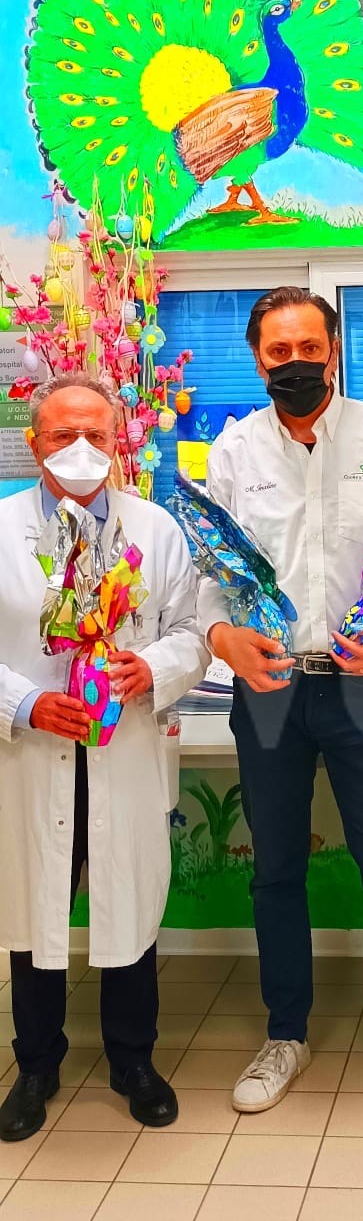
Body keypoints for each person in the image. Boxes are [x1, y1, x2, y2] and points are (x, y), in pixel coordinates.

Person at [198, 286, 363, 1121]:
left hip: (361, 685)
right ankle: (286, 1034)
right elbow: (213, 571)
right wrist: (219, 636)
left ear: (334, 350)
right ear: (258, 359)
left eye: (310, 347)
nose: (296, 362)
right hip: (268, 686)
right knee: (275, 869)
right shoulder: (233, 450)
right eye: (280, 351)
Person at [0, 375, 207, 1143]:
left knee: (129, 908)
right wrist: (23, 703)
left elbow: (193, 632)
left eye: (97, 434)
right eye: (63, 435)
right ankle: (36, 1065)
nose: (81, 449)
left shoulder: (156, 528)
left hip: (124, 753)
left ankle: (133, 1061)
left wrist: (151, 667)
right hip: (33, 754)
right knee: (36, 914)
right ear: (35, 444)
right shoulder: (3, 529)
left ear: (119, 441)